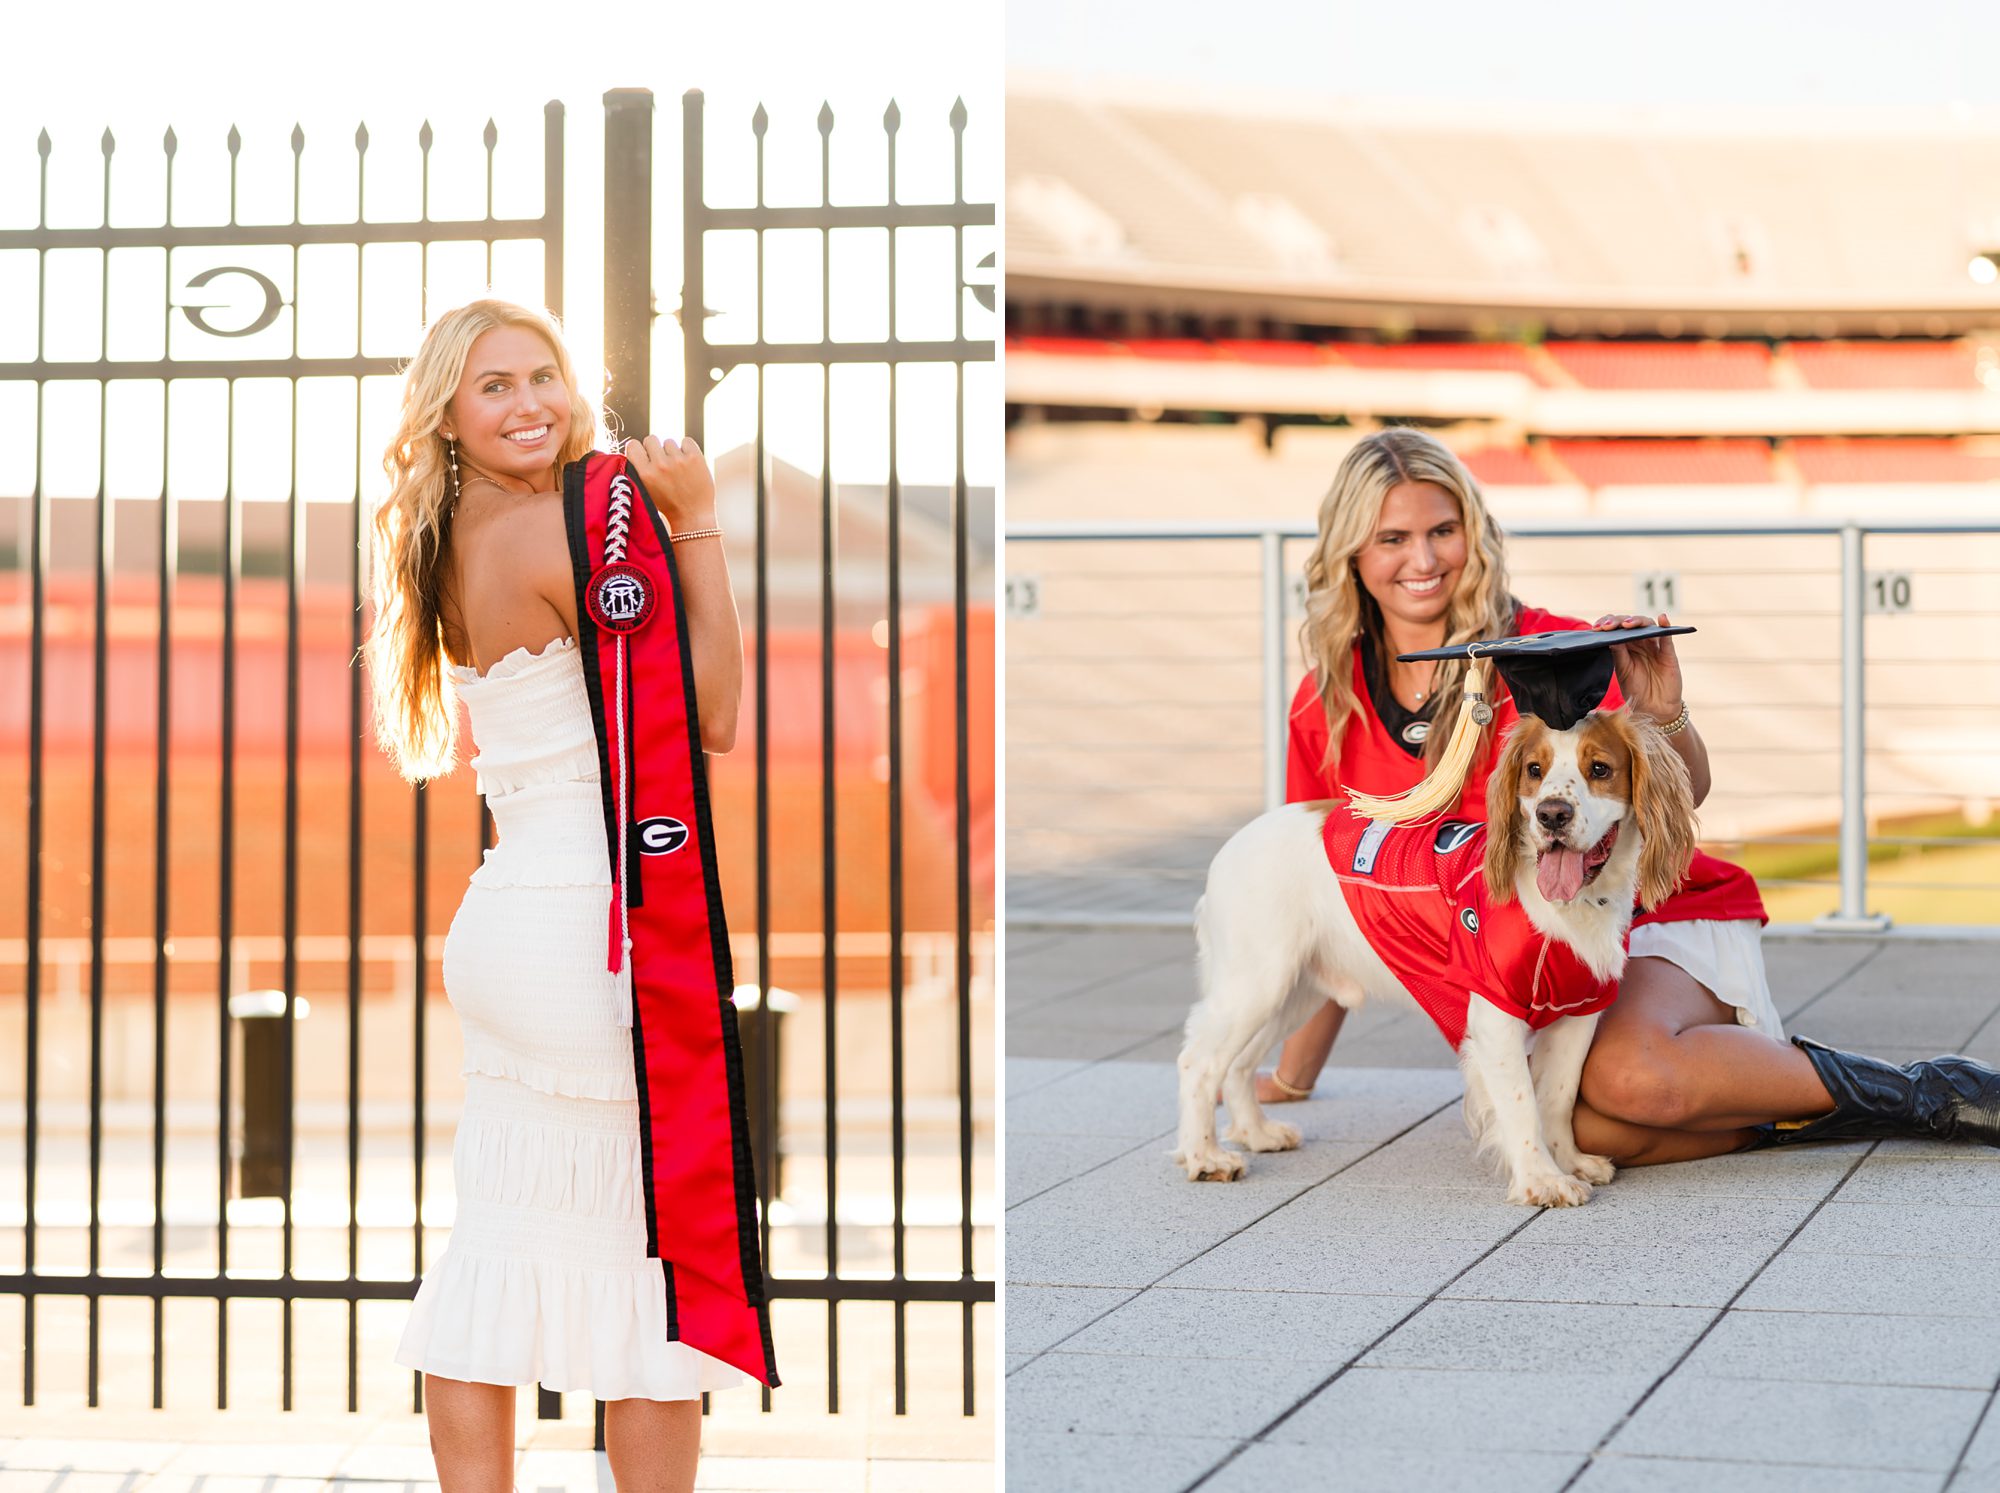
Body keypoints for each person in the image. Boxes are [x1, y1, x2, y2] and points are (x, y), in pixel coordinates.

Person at [1257, 427, 2000, 1162]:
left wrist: (1663, 711)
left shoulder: (1556, 651)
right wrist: (1293, 1076)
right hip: (1521, 968)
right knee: (1582, 1127)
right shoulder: (1325, 706)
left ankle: (1922, 1093)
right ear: (1351, 551)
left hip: (1648, 916)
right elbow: (1325, 892)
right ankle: (1783, 1106)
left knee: (1625, 1075)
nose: (1422, 560)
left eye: (1443, 530)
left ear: (1473, 535)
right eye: (1392, 537)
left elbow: (1687, 793)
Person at [366, 299, 754, 1492]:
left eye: (543, 374)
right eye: (494, 386)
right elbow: (712, 716)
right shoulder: (560, 536)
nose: (529, 401)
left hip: (508, 917)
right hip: (597, 925)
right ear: (446, 411)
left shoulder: (446, 536)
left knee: (492, 1249)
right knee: (650, 1276)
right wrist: (696, 530)